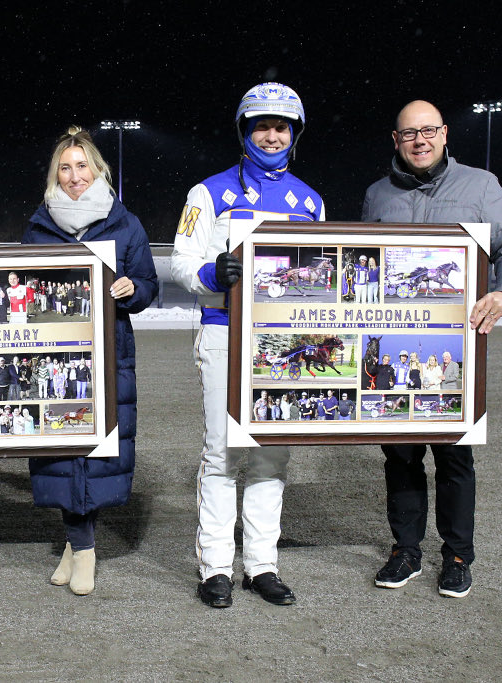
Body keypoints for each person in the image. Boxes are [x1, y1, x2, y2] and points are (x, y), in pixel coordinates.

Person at [362, 99, 502, 598]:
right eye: (409, 133)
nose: (421, 140)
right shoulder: (377, 196)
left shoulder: (480, 186)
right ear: (395, 140)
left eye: (430, 130)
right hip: (395, 348)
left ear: (444, 135)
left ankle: (458, 555)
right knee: (400, 457)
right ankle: (406, 550)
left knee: (455, 459)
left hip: (455, 347)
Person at [172, 83, 323, 608]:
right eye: (262, 125)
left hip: (285, 341)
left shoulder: (311, 200)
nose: (272, 134)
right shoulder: (206, 193)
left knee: (271, 456)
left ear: (294, 134)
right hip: (222, 331)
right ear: (244, 130)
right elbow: (181, 263)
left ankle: (262, 565)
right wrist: (214, 271)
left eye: (282, 126)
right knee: (222, 453)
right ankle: (215, 567)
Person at [23, 126, 158, 595]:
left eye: (82, 166)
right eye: (65, 166)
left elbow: (149, 284)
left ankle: (80, 546)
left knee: (97, 453)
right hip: (54, 358)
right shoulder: (39, 226)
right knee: (63, 451)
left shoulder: (126, 223)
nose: (74, 175)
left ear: (98, 170)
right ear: (55, 174)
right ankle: (80, 545)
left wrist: (132, 289)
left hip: (109, 352)